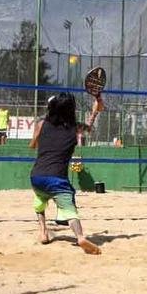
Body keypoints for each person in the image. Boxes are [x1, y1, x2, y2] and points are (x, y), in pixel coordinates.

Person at [29, 93, 103, 255]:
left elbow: (32, 145)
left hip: (36, 177)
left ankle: (43, 232)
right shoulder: (76, 128)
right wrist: (96, 108)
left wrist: (41, 138)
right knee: (69, 207)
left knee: (39, 200)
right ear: (71, 110)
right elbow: (90, 127)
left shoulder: (42, 124)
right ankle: (80, 237)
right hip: (57, 179)